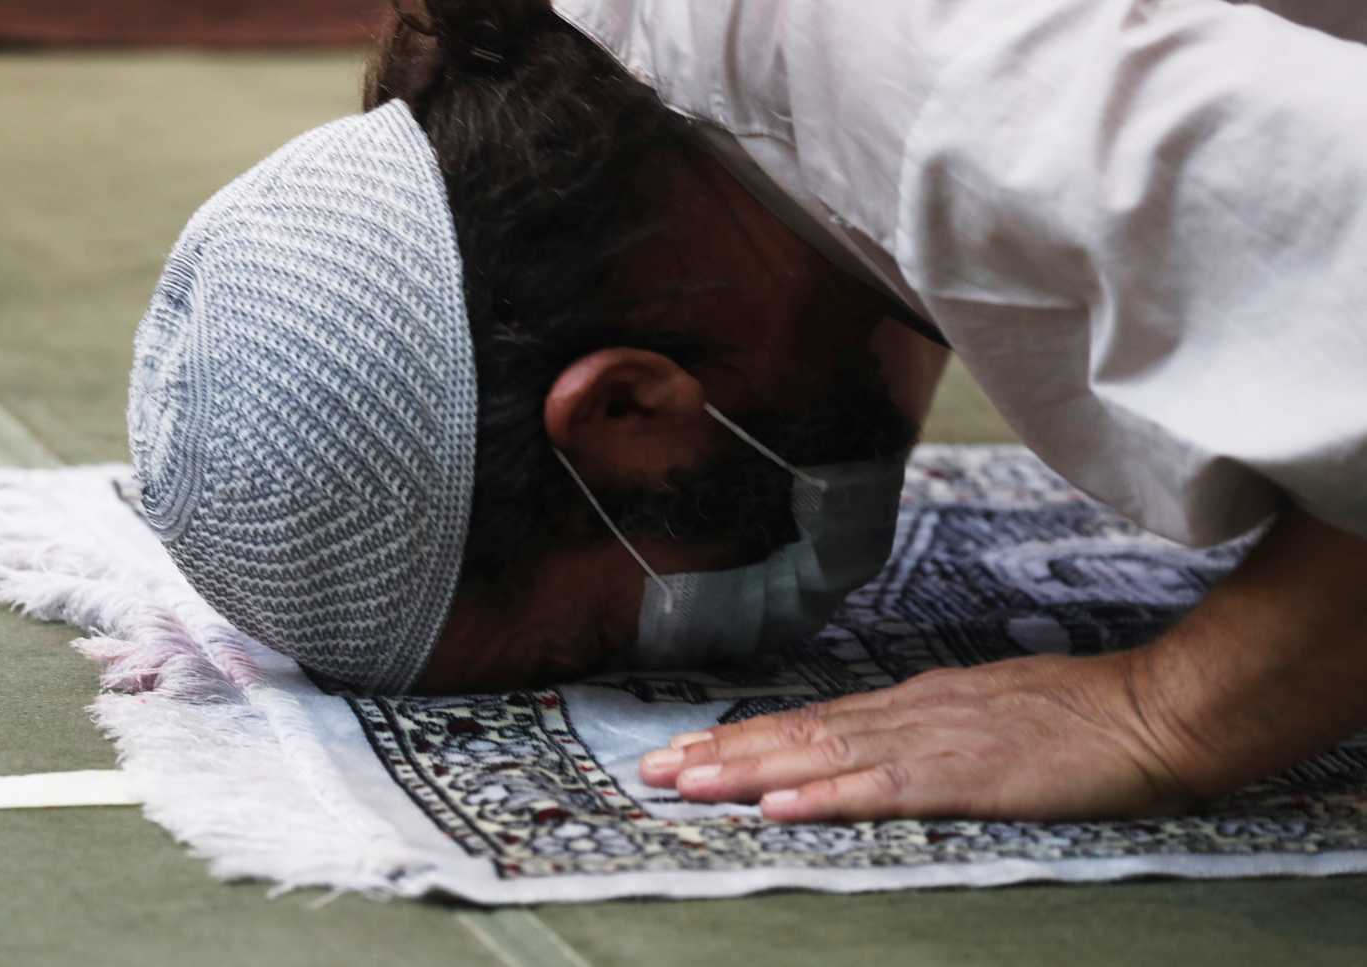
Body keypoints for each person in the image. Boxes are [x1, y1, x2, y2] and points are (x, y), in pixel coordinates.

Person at [127, 0, 1367, 823]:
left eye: (599, 647)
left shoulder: (978, 97)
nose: (682, 663)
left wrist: (1172, 706)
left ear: (624, 408)